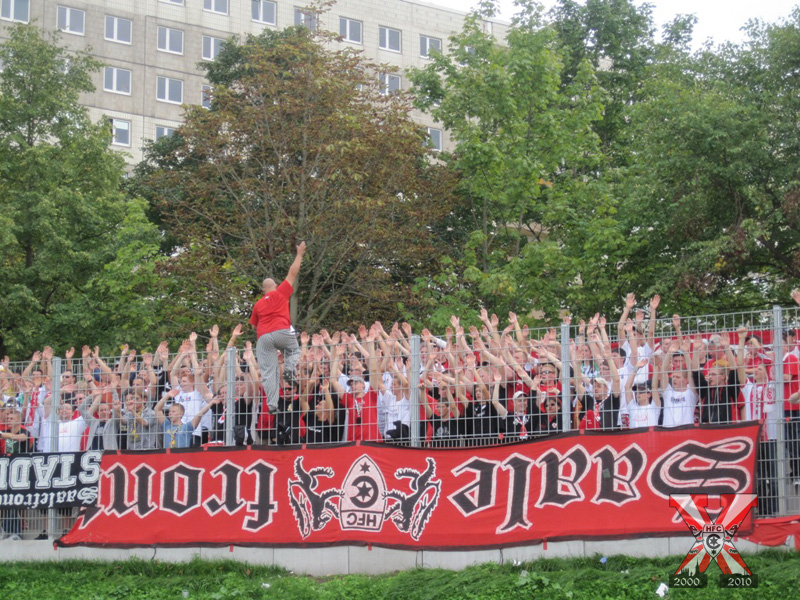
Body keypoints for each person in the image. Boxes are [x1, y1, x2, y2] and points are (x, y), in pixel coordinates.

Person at [250, 241, 306, 414]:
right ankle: (289, 369)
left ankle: (272, 404)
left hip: (263, 337)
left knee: (269, 372)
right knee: (294, 350)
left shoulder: (258, 305)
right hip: (282, 330)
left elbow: (254, 326)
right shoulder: (280, 292)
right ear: (274, 286)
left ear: (263, 290)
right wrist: (299, 255)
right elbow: (292, 273)